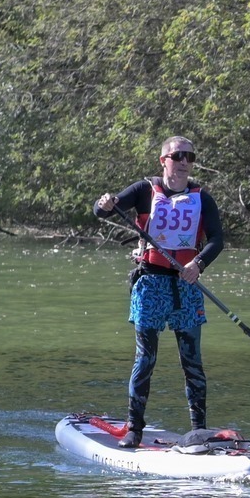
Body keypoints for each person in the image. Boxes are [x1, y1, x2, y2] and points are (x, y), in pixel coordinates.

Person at [94, 136, 224, 448]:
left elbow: (217, 239)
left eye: (189, 157)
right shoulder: (143, 190)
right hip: (151, 284)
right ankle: (134, 430)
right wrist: (104, 203)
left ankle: (198, 432)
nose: (183, 162)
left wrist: (198, 264)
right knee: (146, 359)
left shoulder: (202, 197)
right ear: (163, 160)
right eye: (177, 155)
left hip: (187, 283)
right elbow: (103, 212)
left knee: (192, 362)